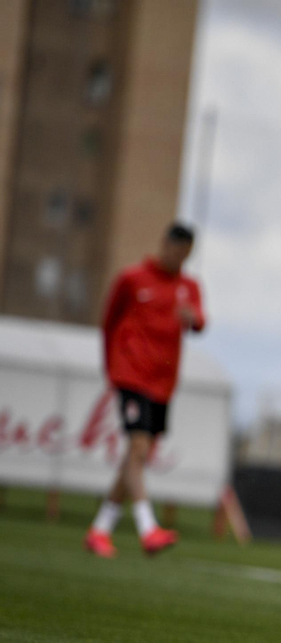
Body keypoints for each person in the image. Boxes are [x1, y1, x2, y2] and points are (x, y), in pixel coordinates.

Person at [84, 223, 205, 558]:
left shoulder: (189, 286)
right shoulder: (132, 278)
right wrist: (112, 367)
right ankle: (148, 528)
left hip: (163, 383)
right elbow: (109, 322)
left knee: (137, 456)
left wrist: (192, 317)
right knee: (137, 447)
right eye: (174, 248)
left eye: (185, 252)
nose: (178, 256)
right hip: (132, 376)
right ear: (164, 244)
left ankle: (100, 529)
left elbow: (200, 322)